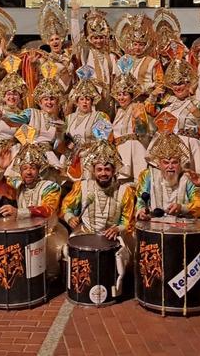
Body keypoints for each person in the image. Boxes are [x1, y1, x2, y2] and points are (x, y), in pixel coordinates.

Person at [60, 126, 135, 297]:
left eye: (107, 170)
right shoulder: (82, 186)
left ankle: (115, 290)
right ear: (93, 171)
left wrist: (118, 229)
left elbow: (128, 220)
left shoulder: (125, 191)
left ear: (113, 171)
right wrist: (70, 216)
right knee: (67, 250)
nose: (103, 173)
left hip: (113, 237)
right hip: (85, 232)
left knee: (121, 258)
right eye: (99, 169)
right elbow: (67, 206)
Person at [0, 126, 65, 279]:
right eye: (25, 168)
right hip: (25, 235)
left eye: (32, 168)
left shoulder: (50, 186)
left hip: (49, 235)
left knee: (48, 274)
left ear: (39, 170)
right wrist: (0, 168)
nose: (29, 172)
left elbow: (47, 209)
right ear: (20, 171)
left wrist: (19, 212)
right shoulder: (19, 187)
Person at [147, 53, 200, 185]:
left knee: (191, 184)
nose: (178, 87)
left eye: (181, 83)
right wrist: (152, 96)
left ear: (189, 83)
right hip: (169, 150)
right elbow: (151, 112)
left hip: (191, 148)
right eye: (174, 84)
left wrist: (198, 116)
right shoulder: (167, 104)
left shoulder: (199, 104)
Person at [134, 113, 200, 221]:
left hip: (181, 229)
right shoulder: (148, 175)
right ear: (159, 163)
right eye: (166, 163)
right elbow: (140, 201)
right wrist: (141, 212)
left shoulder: (188, 178)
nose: (170, 166)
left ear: (180, 163)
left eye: (174, 162)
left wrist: (182, 208)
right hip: (154, 226)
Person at [110, 66, 151, 182]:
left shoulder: (138, 107)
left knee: (138, 182)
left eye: (125, 94)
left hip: (135, 149)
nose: (121, 97)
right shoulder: (117, 112)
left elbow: (143, 131)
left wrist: (138, 119)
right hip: (120, 151)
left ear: (131, 96)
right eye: (119, 94)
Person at [115, 14, 163, 94]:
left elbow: (159, 84)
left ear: (146, 45)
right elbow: (117, 81)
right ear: (131, 44)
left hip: (145, 101)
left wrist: (147, 93)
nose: (137, 48)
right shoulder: (124, 60)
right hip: (126, 100)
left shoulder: (153, 62)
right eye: (135, 44)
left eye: (141, 44)